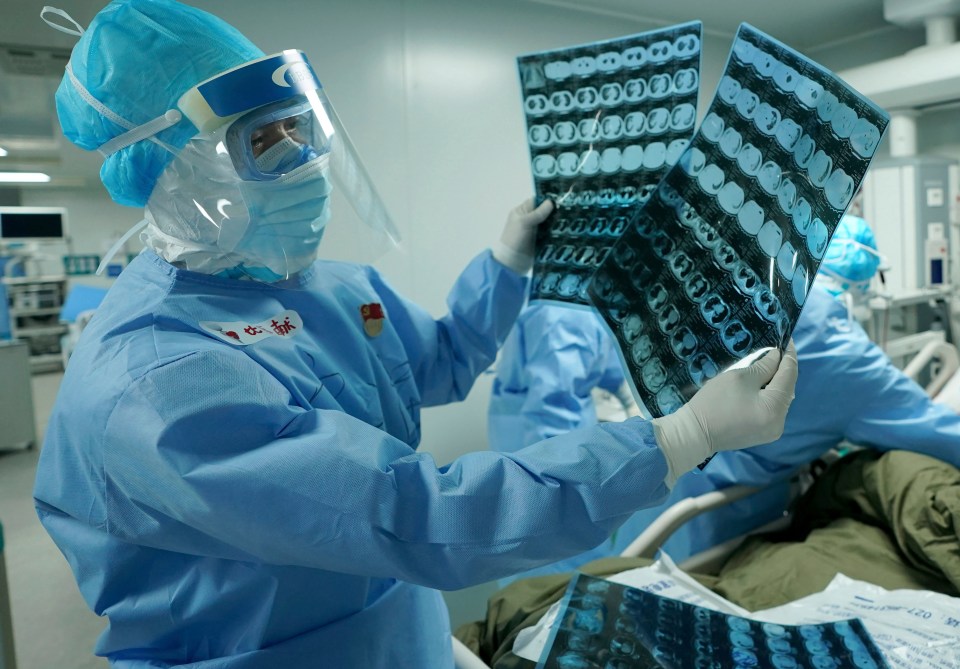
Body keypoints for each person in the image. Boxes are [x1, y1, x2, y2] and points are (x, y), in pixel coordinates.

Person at [32, 1, 798, 667]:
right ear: (169, 170)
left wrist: (505, 267)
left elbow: (437, 361)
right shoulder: (152, 382)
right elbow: (412, 510)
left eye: (306, 133)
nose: (308, 166)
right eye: (267, 144)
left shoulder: (317, 288)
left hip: (402, 635)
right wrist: (678, 437)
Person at [489, 213, 960, 575]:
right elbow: (936, 431)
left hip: (654, 481)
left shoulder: (735, 290)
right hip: (717, 515)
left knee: (595, 579)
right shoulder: (845, 357)